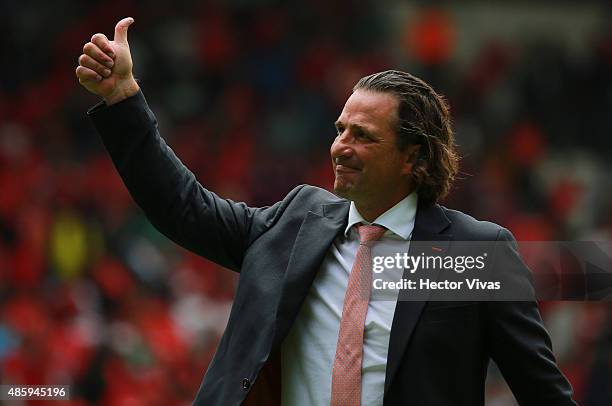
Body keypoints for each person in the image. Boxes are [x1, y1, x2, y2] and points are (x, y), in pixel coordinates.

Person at [76, 18, 578, 406]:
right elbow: (183, 208)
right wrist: (123, 99)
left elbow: (542, 393)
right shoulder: (297, 221)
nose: (340, 147)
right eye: (341, 129)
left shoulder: (470, 253)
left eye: (363, 136)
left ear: (414, 157)